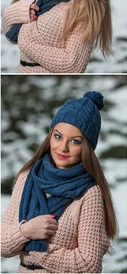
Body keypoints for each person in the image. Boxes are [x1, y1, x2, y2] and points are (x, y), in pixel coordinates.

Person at [1, 91, 117, 273]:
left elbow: (88, 265)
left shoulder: (89, 193)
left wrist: (37, 248)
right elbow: (2, 243)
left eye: (75, 141)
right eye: (58, 136)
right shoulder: (27, 178)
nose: (63, 147)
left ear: (86, 147)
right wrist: (25, 232)